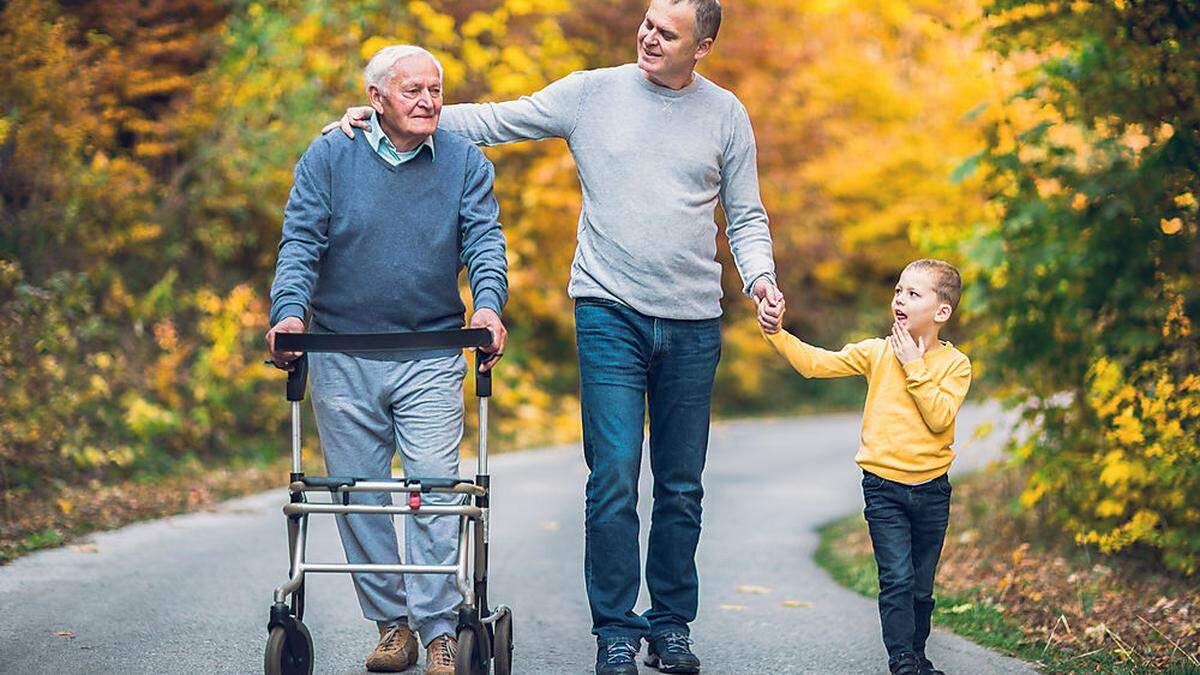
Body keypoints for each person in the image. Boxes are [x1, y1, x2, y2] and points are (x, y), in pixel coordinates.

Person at [321, 1, 779, 673]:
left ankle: (672, 623)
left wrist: (760, 279)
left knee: (680, 483)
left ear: (702, 47)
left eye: (668, 33)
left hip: (694, 320)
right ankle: (616, 629)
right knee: (615, 476)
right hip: (607, 311)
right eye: (648, 23)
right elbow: (496, 119)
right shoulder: (592, 93)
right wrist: (390, 115)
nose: (649, 37)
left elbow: (744, 214)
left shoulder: (725, 114)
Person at [266, 45, 508, 675]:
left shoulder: (463, 162)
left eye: (436, 89)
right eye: (413, 91)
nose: (429, 101)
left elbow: (484, 239)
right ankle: (392, 625)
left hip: (430, 350)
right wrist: (289, 313)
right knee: (357, 496)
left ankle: (438, 632)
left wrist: (487, 305)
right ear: (376, 99)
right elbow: (301, 240)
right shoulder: (329, 154)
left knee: (431, 487)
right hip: (341, 350)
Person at [758, 259, 972, 675]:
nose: (900, 299)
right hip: (883, 488)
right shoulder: (876, 352)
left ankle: (918, 654)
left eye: (913, 293)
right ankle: (902, 660)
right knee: (896, 579)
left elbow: (939, 417)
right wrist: (776, 334)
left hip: (932, 491)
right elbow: (815, 364)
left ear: (941, 312)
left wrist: (914, 366)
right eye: (897, 291)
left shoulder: (955, 365)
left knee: (922, 586)